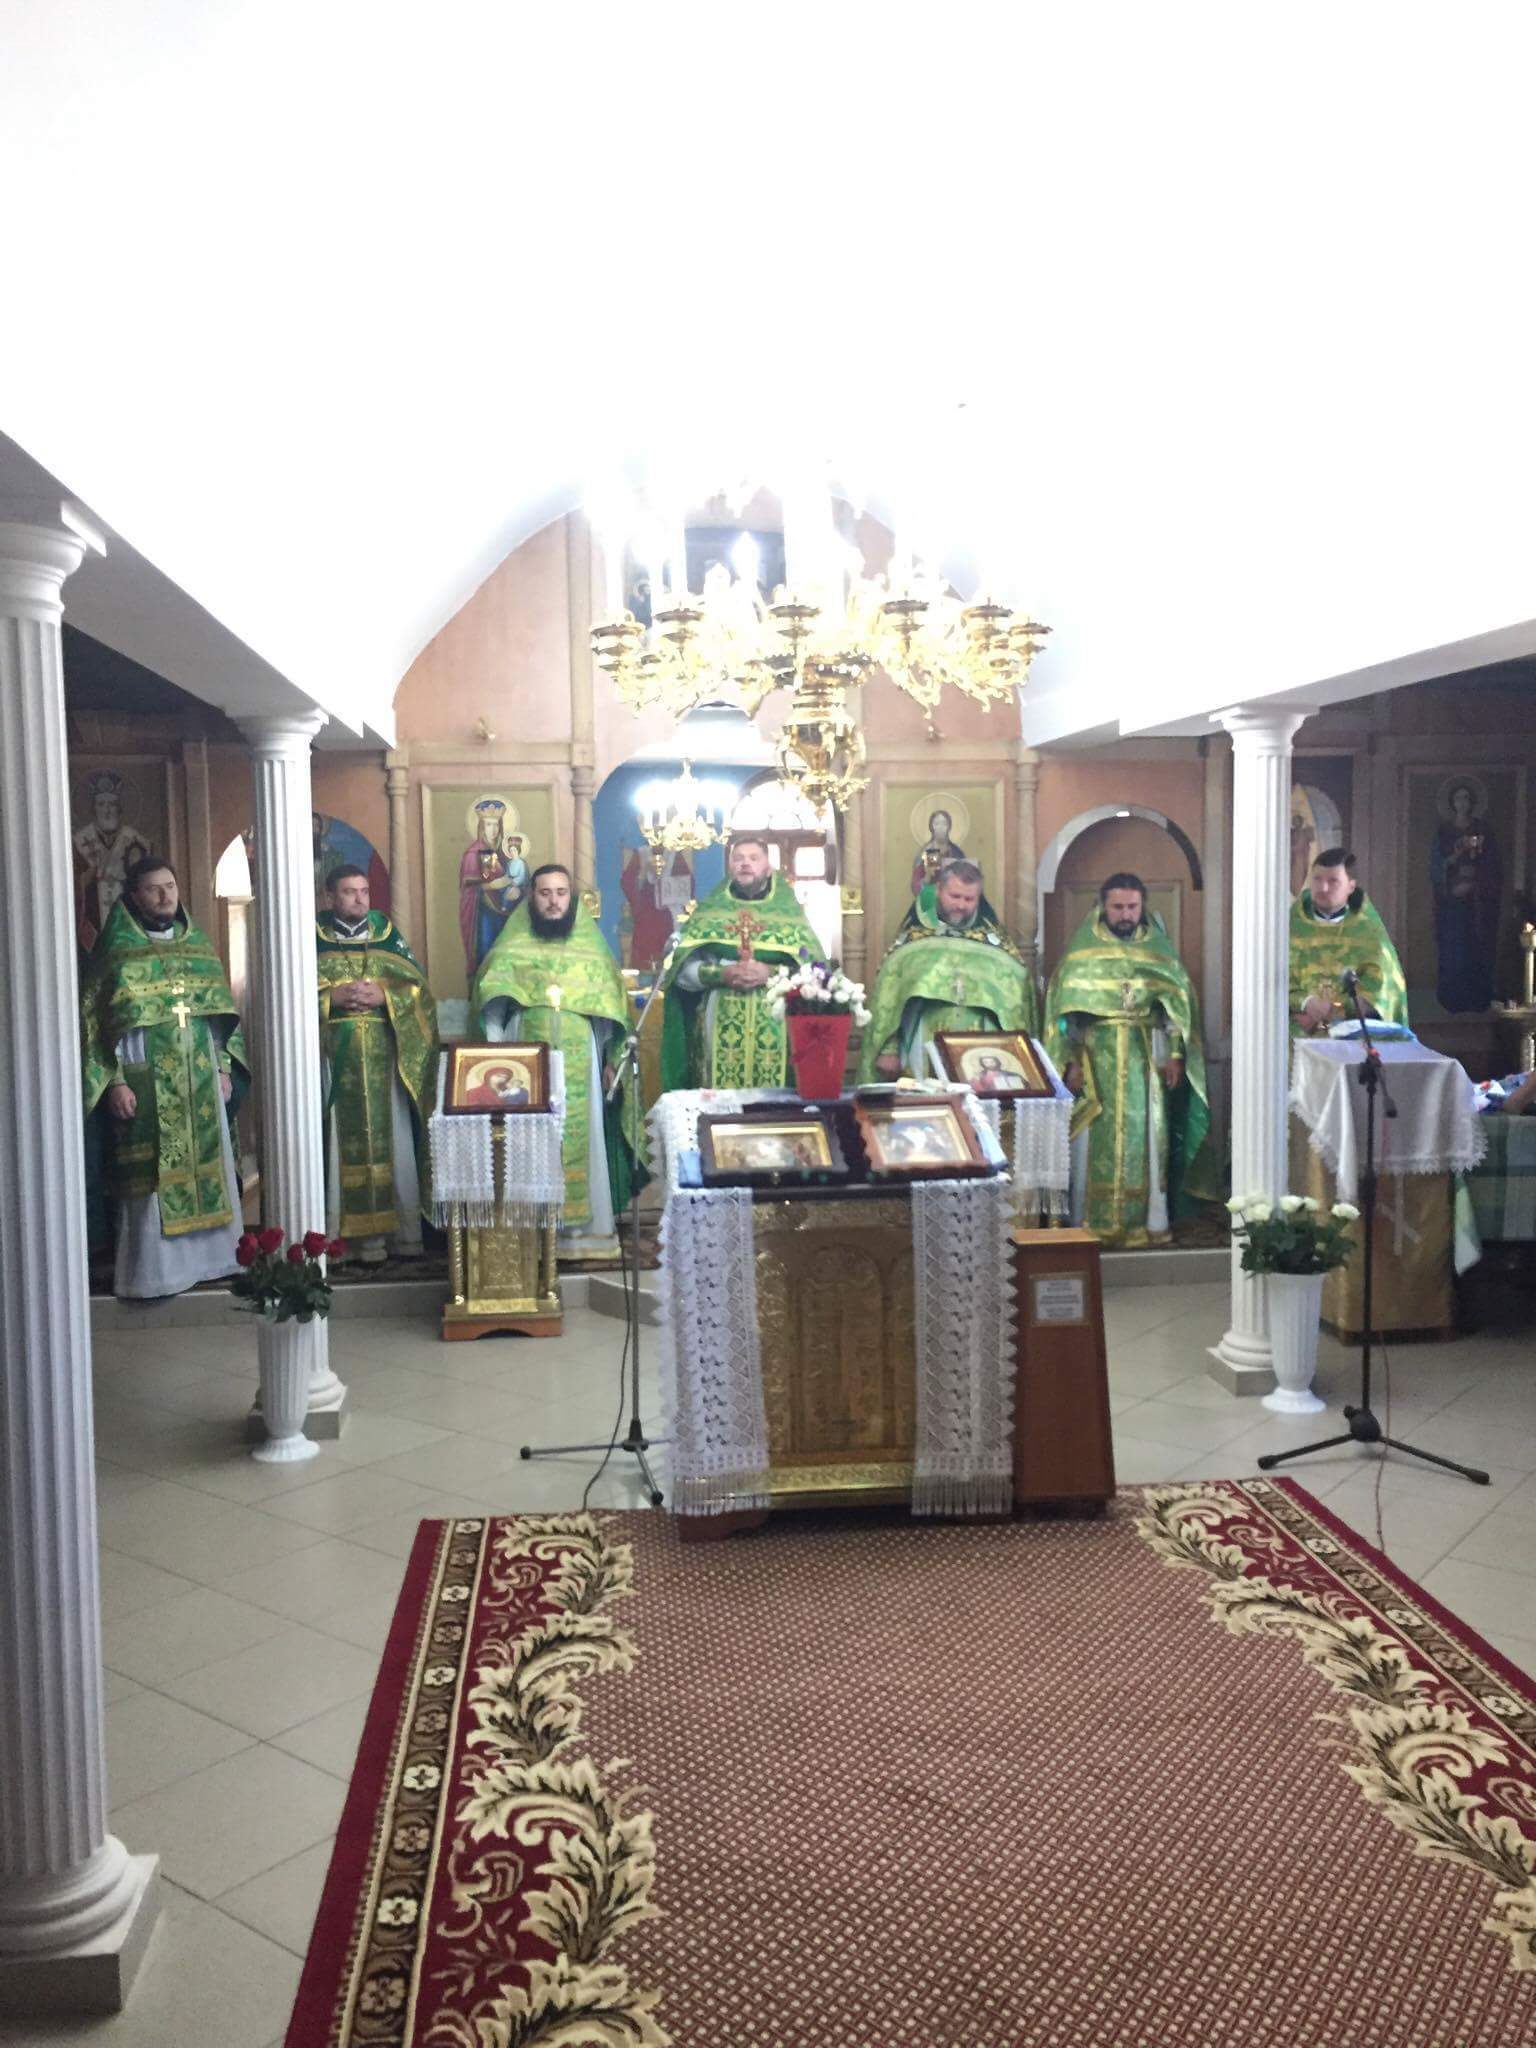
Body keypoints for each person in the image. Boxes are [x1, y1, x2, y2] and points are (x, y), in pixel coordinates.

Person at [81, 857, 249, 1298]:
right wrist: (115, 1081)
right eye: (154, 889)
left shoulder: (197, 946)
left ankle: (216, 1261)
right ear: (134, 896)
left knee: (209, 1167)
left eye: (170, 886)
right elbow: (96, 1025)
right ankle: (156, 1274)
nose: (164, 896)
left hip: (200, 1081)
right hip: (145, 1080)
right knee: (151, 1180)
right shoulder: (115, 951)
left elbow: (217, 1017)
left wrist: (223, 1067)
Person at [474, 863, 644, 1257]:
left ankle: (582, 1237)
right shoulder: (512, 946)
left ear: (572, 898)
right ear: (532, 898)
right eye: (545, 893)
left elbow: (609, 1013)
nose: (553, 901)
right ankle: (531, 1239)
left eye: (561, 893)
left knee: (581, 1138)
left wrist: (610, 1059)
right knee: (527, 1141)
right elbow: (492, 1005)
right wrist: (495, 1054)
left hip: (581, 1057)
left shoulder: (592, 950)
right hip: (524, 1060)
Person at [1045, 871, 1217, 1248]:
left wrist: (1175, 1055)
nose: (1126, 914)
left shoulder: (1160, 953)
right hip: (1095, 1061)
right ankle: (1088, 1223)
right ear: (1102, 907)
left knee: (1148, 1141)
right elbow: (1062, 1015)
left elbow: (1176, 1010)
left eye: (1132, 907)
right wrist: (1069, 1061)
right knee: (1090, 1143)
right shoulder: (1080, 956)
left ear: (1143, 907)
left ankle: (1147, 1224)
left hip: (1145, 1059)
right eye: (1118, 907)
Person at [316, 865, 438, 1264]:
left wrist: (387, 997)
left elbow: (420, 996)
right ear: (330, 897)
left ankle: (398, 1236)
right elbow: (286, 998)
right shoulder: (310, 941)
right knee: (334, 1146)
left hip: (386, 1066)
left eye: (364, 891)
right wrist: (330, 999)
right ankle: (336, 1242)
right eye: (349, 892)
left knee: (394, 1143)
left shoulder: (389, 940)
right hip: (334, 1063)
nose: (359, 899)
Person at [651, 834, 824, 1091]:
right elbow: (681, 971)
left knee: (775, 1101)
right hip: (717, 1021)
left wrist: (770, 973)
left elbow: (816, 972)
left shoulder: (789, 913)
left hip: (778, 1025)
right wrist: (722, 974)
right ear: (730, 866)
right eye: (738, 858)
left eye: (754, 858)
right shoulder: (711, 910)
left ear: (768, 868)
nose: (745, 863)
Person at [859, 860, 1039, 1082]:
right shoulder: (913, 941)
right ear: (938, 890)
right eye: (954, 896)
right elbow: (890, 997)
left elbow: (1018, 1001)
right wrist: (889, 1048)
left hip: (983, 1044)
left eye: (969, 899)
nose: (961, 905)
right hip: (924, 1040)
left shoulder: (997, 945)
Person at [1290, 848, 1408, 1035]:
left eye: (1333, 881)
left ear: (1351, 886)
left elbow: (1382, 989)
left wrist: (1328, 1013)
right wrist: (1305, 1003)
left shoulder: (1368, 931)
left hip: (1351, 1035)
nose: (1323, 888)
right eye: (1317, 879)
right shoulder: (1290, 925)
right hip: (1294, 1030)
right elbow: (1268, 976)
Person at [1430, 783, 1502, 1013]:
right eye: (1459, 798)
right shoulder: (1444, 831)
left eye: (1466, 798)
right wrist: (1455, 857)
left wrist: (1476, 883)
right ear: (1452, 803)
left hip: (1478, 902)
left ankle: (1479, 999)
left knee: (1477, 947)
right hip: (1452, 903)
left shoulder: (1483, 829)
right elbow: (1437, 866)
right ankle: (1452, 999)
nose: (1463, 803)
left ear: (1472, 802)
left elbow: (1493, 865)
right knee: (1454, 949)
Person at [73, 770, 152, 951]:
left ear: (119, 808)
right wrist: (85, 879)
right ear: (94, 808)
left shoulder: (136, 841)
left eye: (112, 804)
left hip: (128, 925)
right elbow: (73, 888)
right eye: (101, 804)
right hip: (94, 925)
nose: (107, 810)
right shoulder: (79, 842)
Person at [458, 799, 527, 975]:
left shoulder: (500, 850)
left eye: (496, 825)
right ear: (481, 827)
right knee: (486, 951)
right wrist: (507, 883)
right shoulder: (477, 851)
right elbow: (485, 883)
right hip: (483, 913)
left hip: (500, 911)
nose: (493, 829)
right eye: (489, 825)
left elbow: (511, 878)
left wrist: (517, 888)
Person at [910, 807, 966, 896]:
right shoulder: (927, 851)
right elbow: (915, 886)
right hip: (930, 899)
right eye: (936, 824)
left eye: (944, 824)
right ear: (931, 827)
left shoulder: (956, 852)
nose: (940, 827)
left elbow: (966, 880)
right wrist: (927, 876)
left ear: (949, 827)